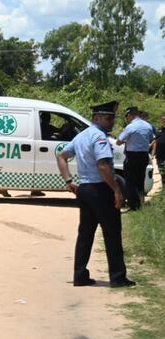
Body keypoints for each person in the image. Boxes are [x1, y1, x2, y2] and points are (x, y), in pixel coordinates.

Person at [56, 100, 135, 288]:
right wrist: (117, 190)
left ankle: (80, 275)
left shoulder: (82, 136)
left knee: (85, 234)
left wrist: (68, 181)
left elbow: (61, 156)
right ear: (96, 118)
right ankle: (118, 277)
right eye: (108, 118)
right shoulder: (99, 138)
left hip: (85, 190)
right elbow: (103, 165)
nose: (111, 121)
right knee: (112, 233)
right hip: (100, 190)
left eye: (112, 118)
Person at [115, 106, 154, 211]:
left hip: (132, 156)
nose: (127, 118)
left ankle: (133, 206)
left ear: (130, 115)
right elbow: (150, 138)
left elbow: (118, 141)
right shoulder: (148, 126)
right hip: (143, 156)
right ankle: (141, 203)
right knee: (140, 180)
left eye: (127, 116)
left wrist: (128, 141)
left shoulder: (131, 127)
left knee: (130, 182)